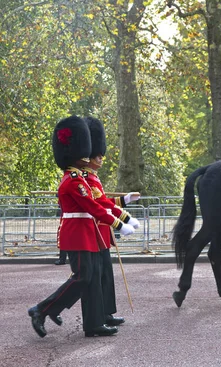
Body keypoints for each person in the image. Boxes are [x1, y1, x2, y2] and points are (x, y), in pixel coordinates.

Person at [27, 115, 135, 338]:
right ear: (74, 156)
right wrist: (118, 223)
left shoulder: (80, 178)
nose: (89, 158)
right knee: (83, 277)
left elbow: (98, 203)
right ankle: (42, 309)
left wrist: (123, 214)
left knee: (92, 277)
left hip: (87, 233)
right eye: (84, 154)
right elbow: (92, 206)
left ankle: (93, 324)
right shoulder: (73, 181)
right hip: (77, 235)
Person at [83, 117, 141, 328]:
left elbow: (105, 201)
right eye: (97, 155)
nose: (100, 158)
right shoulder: (86, 178)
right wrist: (123, 220)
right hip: (95, 231)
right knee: (97, 277)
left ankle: (106, 313)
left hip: (103, 231)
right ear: (88, 156)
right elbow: (101, 206)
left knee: (106, 275)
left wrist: (125, 201)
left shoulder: (94, 177)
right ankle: (98, 317)